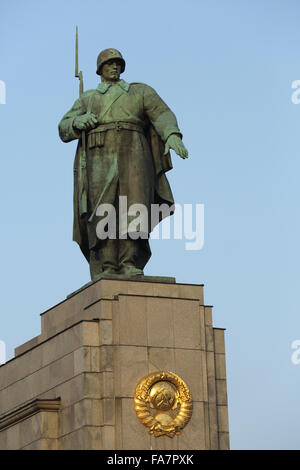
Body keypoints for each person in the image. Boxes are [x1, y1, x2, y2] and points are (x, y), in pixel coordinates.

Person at [58, 48, 188, 280]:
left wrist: (172, 134)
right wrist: (78, 121)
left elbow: (162, 114)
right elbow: (63, 127)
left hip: (135, 151)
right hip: (100, 153)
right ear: (100, 70)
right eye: (109, 64)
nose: (114, 67)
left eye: (118, 63)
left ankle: (129, 262)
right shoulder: (89, 98)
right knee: (103, 208)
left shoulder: (140, 91)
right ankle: (108, 264)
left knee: (135, 206)